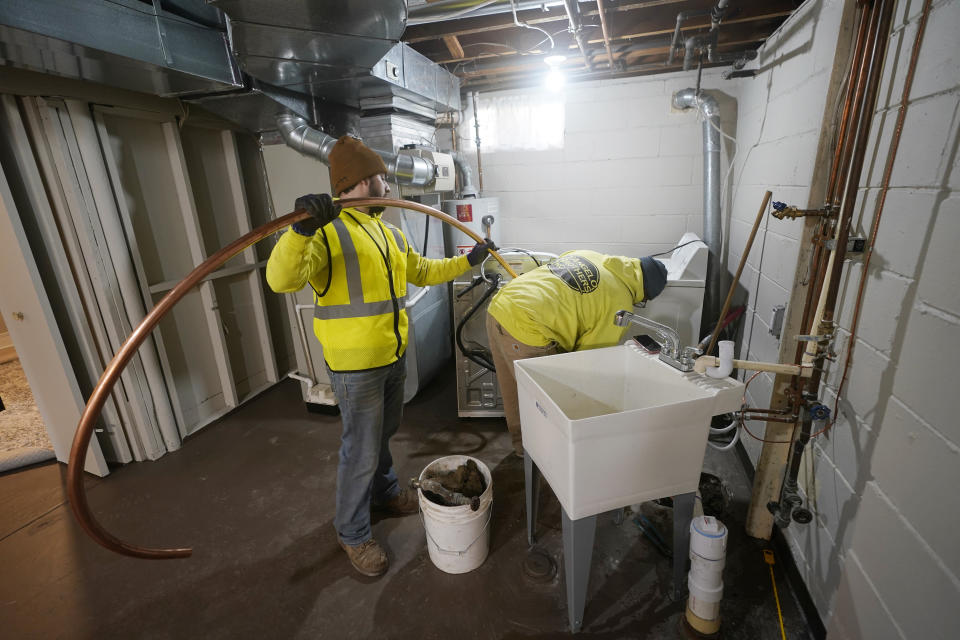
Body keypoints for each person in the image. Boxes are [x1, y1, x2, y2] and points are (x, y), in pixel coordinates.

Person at [266, 135, 495, 577]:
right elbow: (282, 279)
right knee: (360, 450)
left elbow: (422, 270)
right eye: (378, 179)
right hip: (355, 367)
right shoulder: (325, 232)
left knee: (381, 437)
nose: (386, 187)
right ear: (354, 183)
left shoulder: (386, 231)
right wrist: (300, 231)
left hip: (391, 357)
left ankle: (385, 494)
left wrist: (470, 261)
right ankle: (352, 533)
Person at [485, 250, 668, 456]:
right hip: (529, 326)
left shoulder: (591, 255)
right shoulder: (621, 306)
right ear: (644, 292)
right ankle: (549, 458)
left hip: (500, 305)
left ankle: (522, 448)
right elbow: (587, 361)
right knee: (546, 404)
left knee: (513, 389)